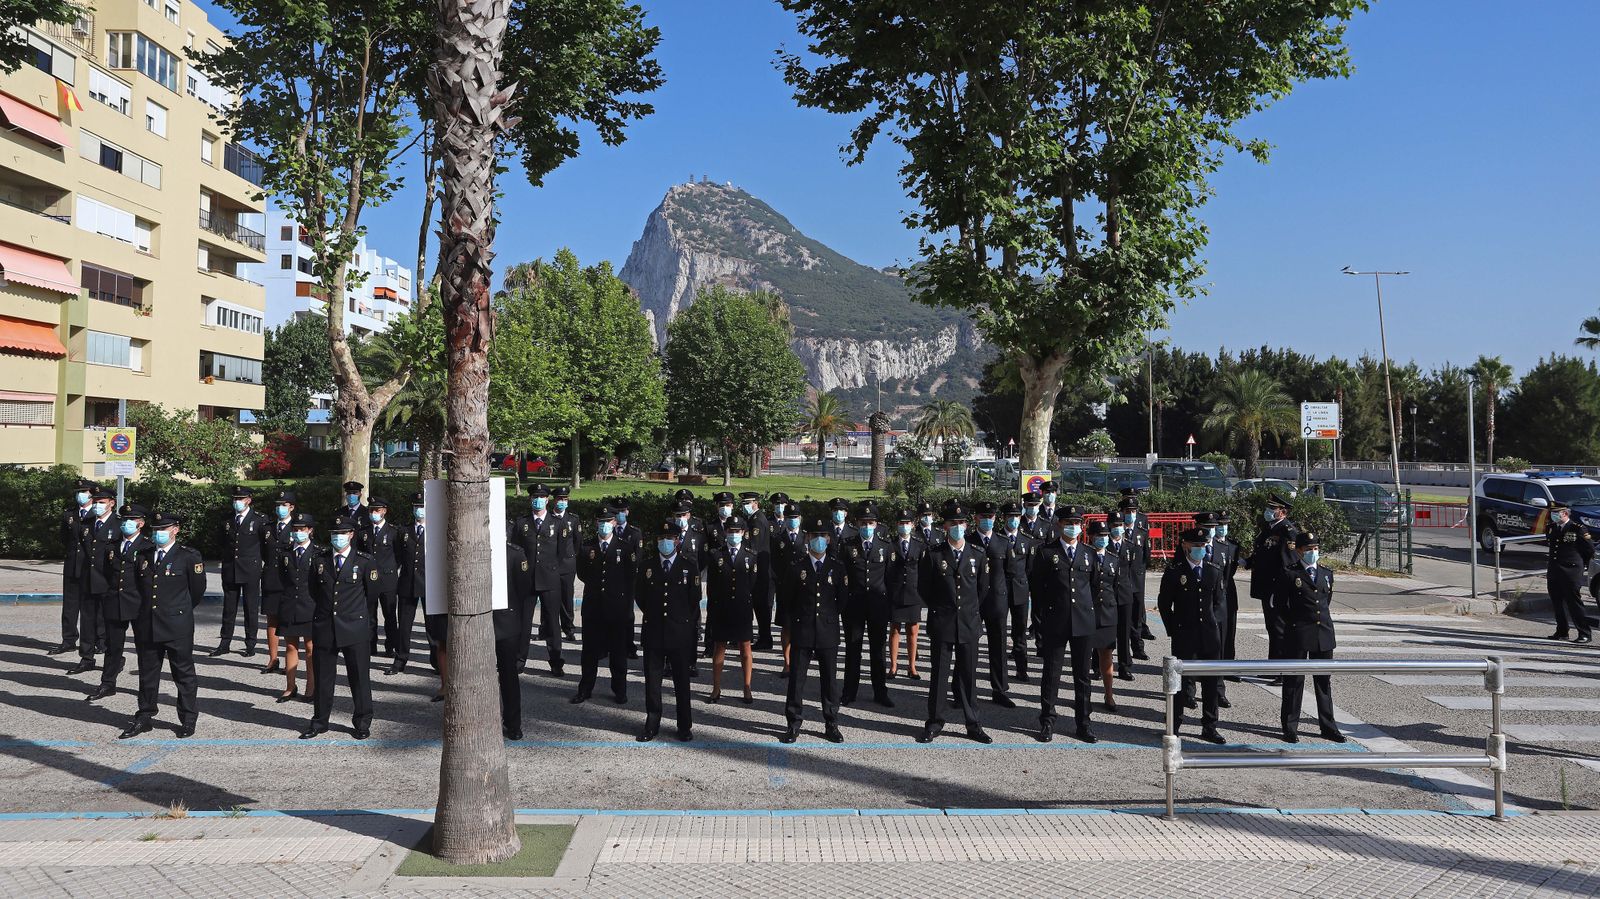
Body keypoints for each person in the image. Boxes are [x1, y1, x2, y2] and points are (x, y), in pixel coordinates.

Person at [121, 511, 205, 739]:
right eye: (156, 530)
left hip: (177, 624)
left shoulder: (188, 556)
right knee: (148, 673)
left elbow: (196, 591)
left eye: (163, 530)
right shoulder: (144, 555)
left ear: (175, 530)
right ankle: (145, 716)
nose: (158, 534)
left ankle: (188, 719)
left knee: (183, 673)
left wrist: (178, 611)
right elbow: (138, 588)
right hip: (147, 624)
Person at [917, 503, 991, 745]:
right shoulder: (933, 554)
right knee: (939, 676)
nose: (958, 527)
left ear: (966, 525)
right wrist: (942, 609)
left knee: (969, 677)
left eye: (962, 523)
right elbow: (924, 589)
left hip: (969, 623)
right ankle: (935, 723)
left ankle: (973, 724)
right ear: (945, 527)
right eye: (953, 524)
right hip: (943, 623)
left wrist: (968, 611)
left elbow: (982, 589)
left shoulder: (977, 554)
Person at [301, 520, 377, 740]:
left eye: (342, 533)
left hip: (354, 626)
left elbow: (372, 594)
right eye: (335, 533)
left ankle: (362, 722)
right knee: (324, 677)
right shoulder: (320, 560)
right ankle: (319, 721)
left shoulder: (364, 561)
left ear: (352, 534)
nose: (338, 537)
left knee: (359, 677)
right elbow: (315, 591)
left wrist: (357, 616)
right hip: (325, 626)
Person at [1032, 506, 1100, 743]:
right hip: (1056, 621)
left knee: (1082, 676)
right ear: (1059, 525)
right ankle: (1047, 721)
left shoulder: (1089, 553)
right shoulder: (1045, 552)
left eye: (1077, 522)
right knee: (1052, 673)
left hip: (1083, 622)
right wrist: (1044, 617)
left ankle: (1083, 723)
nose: (1074, 526)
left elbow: (1094, 587)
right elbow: (1037, 589)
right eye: (1069, 522)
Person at [1159, 528, 1228, 744]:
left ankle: (1210, 726)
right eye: (1195, 545)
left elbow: (1219, 602)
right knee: (1179, 683)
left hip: (1209, 635)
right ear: (1185, 546)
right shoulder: (1174, 572)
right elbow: (1164, 604)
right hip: (1184, 634)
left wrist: (1214, 624)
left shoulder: (1213, 571)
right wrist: (1174, 629)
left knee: (1211, 682)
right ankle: (1175, 724)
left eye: (1203, 545)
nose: (1200, 549)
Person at [781, 516, 846, 744]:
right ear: (806, 538)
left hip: (828, 632)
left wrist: (829, 619)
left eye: (822, 536)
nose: (818, 540)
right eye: (813, 536)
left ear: (829, 539)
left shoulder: (837, 568)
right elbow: (787, 601)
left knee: (830, 681)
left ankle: (831, 723)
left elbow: (843, 601)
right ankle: (793, 723)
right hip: (803, 631)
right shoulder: (796, 567)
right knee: (797, 680)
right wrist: (793, 627)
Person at [636, 522, 700, 742]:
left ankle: (684, 726)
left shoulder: (689, 567)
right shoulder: (647, 566)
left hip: (679, 633)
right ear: (657, 541)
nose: (666, 541)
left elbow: (694, 601)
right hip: (654, 631)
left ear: (677, 541)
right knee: (652, 682)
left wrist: (680, 622)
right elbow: (641, 597)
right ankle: (652, 723)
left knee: (681, 682)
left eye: (670, 538)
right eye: (662, 537)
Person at [1279, 532, 1345, 743]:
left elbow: (1326, 600)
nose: (1313, 552)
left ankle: (1328, 727)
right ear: (1298, 551)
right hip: (1298, 633)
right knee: (1294, 681)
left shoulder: (1326, 573)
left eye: (1315, 548)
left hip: (1323, 633)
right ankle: (1290, 727)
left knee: (1323, 682)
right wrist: (1295, 623)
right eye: (1308, 549)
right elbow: (1280, 606)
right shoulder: (1290, 574)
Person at [87, 503, 151, 702]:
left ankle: (146, 689)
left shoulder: (148, 547)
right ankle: (107, 683)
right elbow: (106, 572)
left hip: (138, 605)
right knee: (113, 647)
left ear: (141, 523)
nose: (127, 523)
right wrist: (107, 594)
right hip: (114, 602)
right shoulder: (112, 546)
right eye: (124, 520)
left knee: (144, 650)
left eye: (132, 520)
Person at [573, 506, 636, 705]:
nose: (604, 525)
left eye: (608, 521)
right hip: (593, 607)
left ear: (615, 523)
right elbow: (582, 573)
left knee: (618, 654)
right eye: (601, 521)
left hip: (616, 608)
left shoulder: (624, 547)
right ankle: (585, 689)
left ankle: (620, 690)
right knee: (589, 653)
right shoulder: (587, 546)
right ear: (595, 523)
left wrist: (625, 608)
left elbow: (630, 576)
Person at [508, 484, 570, 676]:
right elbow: (516, 551)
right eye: (535, 496)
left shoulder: (558, 523)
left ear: (547, 500)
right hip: (527, 580)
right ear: (530, 499)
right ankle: (519, 660)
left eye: (542, 496)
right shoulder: (521, 523)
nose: (538, 499)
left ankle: (556, 662)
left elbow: (561, 553)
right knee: (524, 623)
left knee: (552, 622)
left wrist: (551, 570)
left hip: (550, 579)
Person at [841, 502, 892, 708]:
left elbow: (890, 579)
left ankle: (880, 692)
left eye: (871, 522)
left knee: (878, 650)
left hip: (878, 606)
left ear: (877, 524)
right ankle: (849, 692)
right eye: (863, 522)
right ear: (857, 523)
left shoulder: (885, 546)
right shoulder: (847, 546)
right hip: (854, 606)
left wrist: (889, 606)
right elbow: (842, 577)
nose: (867, 526)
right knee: (853, 649)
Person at [1246, 493, 1300, 683]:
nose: (1268, 512)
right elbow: (1262, 553)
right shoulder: (1269, 528)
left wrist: (1280, 590)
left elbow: (1289, 565)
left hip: (1277, 589)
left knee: (1280, 629)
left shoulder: (1287, 531)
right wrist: (1247, 562)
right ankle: (1273, 666)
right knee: (1272, 628)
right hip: (1266, 587)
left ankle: (1282, 671)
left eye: (1273, 509)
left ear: (1282, 512)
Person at [706, 515, 758, 704]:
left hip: (742, 608)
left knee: (745, 647)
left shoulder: (751, 555)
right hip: (722, 607)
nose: (733, 534)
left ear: (743, 533)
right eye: (730, 531)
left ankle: (747, 687)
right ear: (725, 532)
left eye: (737, 531)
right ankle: (716, 687)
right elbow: (711, 585)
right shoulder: (716, 554)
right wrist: (713, 609)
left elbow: (752, 583)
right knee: (720, 646)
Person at [66, 487, 119, 676]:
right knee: (87, 621)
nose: (97, 505)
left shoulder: (118, 525)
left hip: (108, 582)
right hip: (88, 580)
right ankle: (86, 658)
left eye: (101, 502)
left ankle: (114, 659)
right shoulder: (86, 524)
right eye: (95, 501)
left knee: (109, 623)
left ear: (112, 503)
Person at [214, 485, 267, 658]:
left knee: (250, 608)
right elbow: (222, 542)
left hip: (250, 569)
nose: (236, 502)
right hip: (231, 568)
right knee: (229, 608)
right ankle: (225, 642)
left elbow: (265, 545)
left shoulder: (260, 519)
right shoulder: (227, 520)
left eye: (240, 499)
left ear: (248, 500)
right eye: (235, 499)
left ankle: (250, 643)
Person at [275, 513, 320, 704]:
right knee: (291, 645)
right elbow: (282, 578)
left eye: (302, 529)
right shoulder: (285, 552)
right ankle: (290, 686)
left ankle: (311, 686)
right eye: (295, 529)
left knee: (310, 647)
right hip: (289, 604)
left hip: (309, 605)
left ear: (310, 531)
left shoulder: (318, 553)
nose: (298, 533)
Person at [52, 478, 98, 655]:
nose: (80, 495)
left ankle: (98, 641)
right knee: (70, 606)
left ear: (92, 494)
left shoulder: (96, 515)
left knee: (93, 607)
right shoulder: (69, 514)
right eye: (78, 492)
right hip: (72, 565)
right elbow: (64, 538)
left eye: (84, 492)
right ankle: (68, 640)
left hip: (90, 567)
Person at [1200, 510, 1242, 707]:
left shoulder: (1227, 547)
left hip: (1222, 599)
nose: (1219, 528)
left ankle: (1219, 688)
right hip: (1200, 602)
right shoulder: (1195, 546)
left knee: (1222, 641)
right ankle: (1192, 688)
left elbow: (1227, 576)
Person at [495, 542, 534, 740]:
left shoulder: (514, 554)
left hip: (506, 622)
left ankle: (513, 723)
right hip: (477, 623)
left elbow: (523, 589)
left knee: (508, 675)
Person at [357, 496, 401, 664]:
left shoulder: (393, 531)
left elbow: (398, 555)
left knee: (389, 614)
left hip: (388, 578)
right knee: (369, 615)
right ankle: (371, 645)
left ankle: (391, 646)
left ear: (384, 511)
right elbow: (360, 554)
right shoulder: (364, 532)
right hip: (369, 579)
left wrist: (391, 569)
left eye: (377, 510)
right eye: (371, 510)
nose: (373, 513)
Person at [259, 490, 297, 675]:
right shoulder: (267, 527)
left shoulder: (298, 528)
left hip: (288, 580)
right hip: (271, 578)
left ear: (291, 507)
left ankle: (291, 661)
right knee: (271, 619)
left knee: (288, 620)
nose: (280, 508)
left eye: (284, 505)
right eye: (278, 505)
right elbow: (262, 552)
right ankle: (273, 659)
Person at [1545, 500, 1595, 643]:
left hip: (1571, 571)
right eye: (1552, 513)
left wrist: (1580, 565)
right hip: (1554, 570)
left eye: (1555, 513)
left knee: (1574, 603)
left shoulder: (1577, 528)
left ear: (1565, 513)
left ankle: (1584, 633)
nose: (1552, 516)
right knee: (1557, 602)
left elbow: (1589, 549)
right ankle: (1562, 631)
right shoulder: (1551, 527)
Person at [997, 501, 1036, 683]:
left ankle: (1022, 669)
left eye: (1016, 516)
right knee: (1000, 632)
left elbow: (1029, 569)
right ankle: (1001, 672)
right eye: (1010, 516)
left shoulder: (1026, 541)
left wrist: (1026, 587)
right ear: (1004, 518)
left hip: (1020, 591)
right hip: (1001, 592)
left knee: (1019, 633)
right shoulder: (997, 540)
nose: (1013, 520)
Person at [886, 507, 925, 681]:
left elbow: (924, 569)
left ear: (913, 524)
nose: (904, 526)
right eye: (901, 523)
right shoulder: (890, 544)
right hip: (895, 592)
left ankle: (912, 666)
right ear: (897, 525)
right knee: (895, 629)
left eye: (907, 523)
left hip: (913, 592)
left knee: (913, 630)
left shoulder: (919, 544)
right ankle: (893, 666)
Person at [1086, 520, 1121, 712]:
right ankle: (1084, 697)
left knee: (1107, 656)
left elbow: (1115, 587)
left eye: (1105, 536)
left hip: (1107, 613)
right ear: (1091, 537)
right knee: (1083, 658)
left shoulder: (1114, 559)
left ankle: (1109, 695)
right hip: (1087, 613)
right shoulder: (1084, 555)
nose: (1102, 539)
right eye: (1099, 536)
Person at [770, 502, 806, 676]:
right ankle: (787, 662)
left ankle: (801, 662)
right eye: (789, 518)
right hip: (785, 588)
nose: (792, 521)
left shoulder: (806, 538)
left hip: (803, 588)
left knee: (803, 626)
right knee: (786, 627)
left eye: (795, 517)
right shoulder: (778, 539)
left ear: (800, 518)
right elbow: (775, 563)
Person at [394, 493, 427, 676]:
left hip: (428, 583)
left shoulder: (436, 529)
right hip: (407, 582)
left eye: (421, 506)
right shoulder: (404, 531)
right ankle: (400, 659)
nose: (418, 510)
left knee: (432, 626)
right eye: (416, 506)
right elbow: (398, 556)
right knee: (404, 624)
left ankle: (436, 662)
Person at [1117, 494, 1155, 650]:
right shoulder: (1116, 532)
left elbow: (1146, 554)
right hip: (1120, 579)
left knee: (1137, 614)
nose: (1131, 514)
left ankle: (1138, 646)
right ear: (1122, 512)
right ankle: (1120, 647)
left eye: (1134, 511)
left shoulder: (1141, 532)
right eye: (1128, 511)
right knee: (1121, 614)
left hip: (1137, 578)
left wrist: (1141, 572)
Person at [740, 491, 777, 651]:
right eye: (743, 503)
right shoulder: (754, 519)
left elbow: (753, 547)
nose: (745, 506)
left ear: (756, 503)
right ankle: (763, 637)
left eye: (748, 503)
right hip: (760, 571)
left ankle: (765, 638)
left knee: (761, 607)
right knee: (760, 606)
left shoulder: (757, 521)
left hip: (760, 572)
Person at [1107, 511, 1141, 681]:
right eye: (1114, 525)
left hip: (1125, 593)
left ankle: (1124, 666)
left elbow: (1131, 571)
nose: (1117, 528)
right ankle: (1100, 665)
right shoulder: (1104, 546)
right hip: (1107, 594)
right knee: (1105, 631)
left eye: (1120, 525)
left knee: (1124, 631)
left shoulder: (1129, 546)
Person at [552, 485, 581, 641]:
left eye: (565, 499)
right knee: (548, 597)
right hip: (550, 564)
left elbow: (577, 542)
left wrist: (570, 557)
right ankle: (546, 627)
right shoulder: (548, 518)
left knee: (567, 597)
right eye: (559, 499)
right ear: (554, 500)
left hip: (567, 564)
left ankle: (568, 628)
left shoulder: (573, 519)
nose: (562, 501)